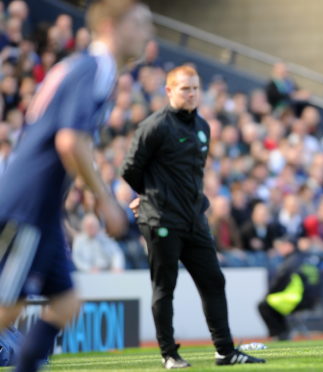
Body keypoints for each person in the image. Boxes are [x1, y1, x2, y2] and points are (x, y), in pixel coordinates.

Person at [0, 1, 152, 370]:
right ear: (112, 27)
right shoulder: (94, 68)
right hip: (27, 204)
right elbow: (69, 141)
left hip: (43, 210)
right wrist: (105, 201)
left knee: (66, 303)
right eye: (140, 24)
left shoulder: (91, 69)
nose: (148, 34)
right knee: (8, 310)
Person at [121, 64, 265, 368]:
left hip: (194, 218)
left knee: (214, 280)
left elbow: (193, 173)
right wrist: (148, 196)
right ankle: (169, 354)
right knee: (165, 287)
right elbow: (129, 169)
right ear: (169, 90)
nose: (192, 93)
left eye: (196, 88)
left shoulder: (203, 127)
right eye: (185, 88)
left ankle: (225, 352)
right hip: (161, 219)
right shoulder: (155, 126)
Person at [257, 236, 319, 341]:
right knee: (273, 306)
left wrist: (268, 294)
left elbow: (279, 282)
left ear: (290, 246)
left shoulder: (291, 262)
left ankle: (280, 334)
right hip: (309, 299)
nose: (279, 249)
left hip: (297, 300)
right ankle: (283, 333)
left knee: (263, 305)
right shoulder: (304, 258)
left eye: (282, 246)